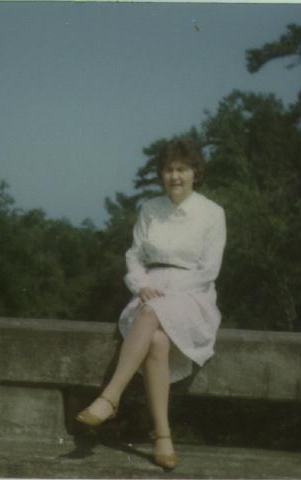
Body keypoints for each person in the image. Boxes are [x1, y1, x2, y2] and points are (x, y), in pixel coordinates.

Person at [76, 137, 226, 470]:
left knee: (153, 311)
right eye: (169, 170)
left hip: (193, 296)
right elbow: (134, 255)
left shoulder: (212, 213)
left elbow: (209, 269)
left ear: (195, 173)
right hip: (150, 292)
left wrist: (168, 293)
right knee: (157, 340)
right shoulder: (150, 209)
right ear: (162, 174)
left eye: (182, 170)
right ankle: (163, 436)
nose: (175, 177)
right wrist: (140, 284)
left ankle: (110, 396)